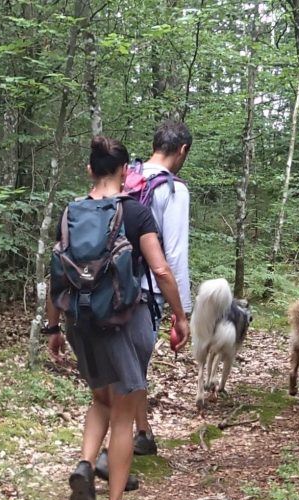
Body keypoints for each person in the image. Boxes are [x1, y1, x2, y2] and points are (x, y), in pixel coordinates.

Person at [46, 135, 190, 500]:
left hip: (81, 322)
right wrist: (180, 316)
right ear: (127, 172)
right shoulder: (135, 214)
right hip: (126, 320)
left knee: (100, 400)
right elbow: (161, 271)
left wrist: (53, 327)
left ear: (90, 170)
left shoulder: (69, 214)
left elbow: (56, 275)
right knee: (124, 414)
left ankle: (86, 464)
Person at [94, 120, 194, 479]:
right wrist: (182, 310)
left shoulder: (126, 175)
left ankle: (143, 433)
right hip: (144, 290)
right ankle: (111, 456)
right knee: (131, 372)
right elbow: (175, 255)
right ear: (182, 150)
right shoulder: (173, 189)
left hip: (102, 285)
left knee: (127, 368)